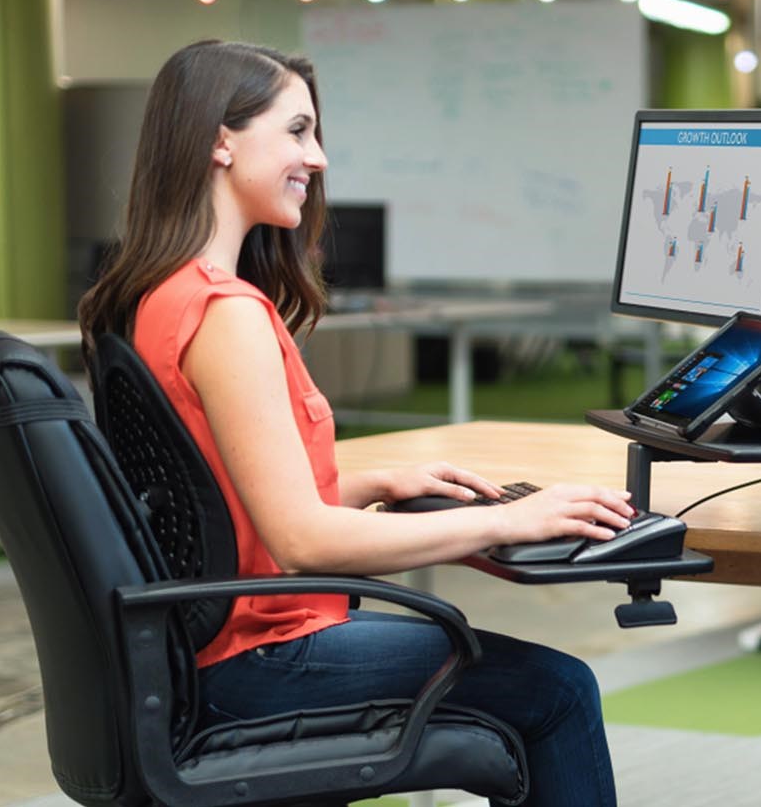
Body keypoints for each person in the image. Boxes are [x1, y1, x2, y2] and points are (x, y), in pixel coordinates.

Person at [75, 40, 627, 806]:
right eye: (297, 131)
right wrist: (512, 521)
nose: (320, 157)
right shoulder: (225, 313)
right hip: (261, 657)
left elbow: (206, 494)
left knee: (506, 667)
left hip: (201, 652)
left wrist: (367, 481)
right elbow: (304, 542)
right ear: (219, 140)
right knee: (558, 690)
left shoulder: (155, 295)